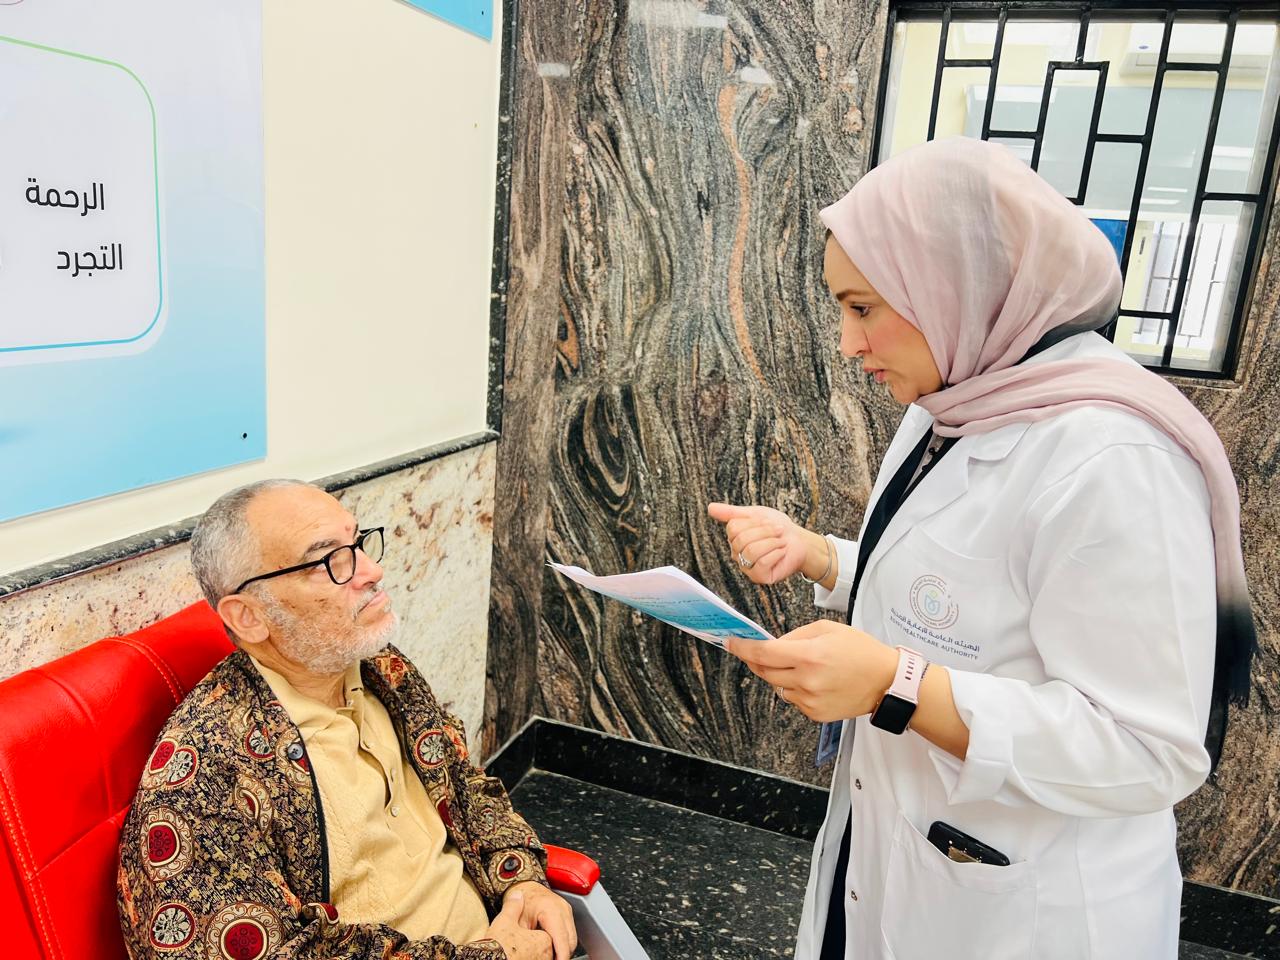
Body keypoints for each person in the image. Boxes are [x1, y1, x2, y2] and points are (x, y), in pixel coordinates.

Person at [708, 136, 1255, 959]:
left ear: (954, 284)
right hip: (893, 845)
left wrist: (895, 686)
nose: (848, 343)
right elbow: (962, 592)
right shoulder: (955, 400)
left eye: (864, 308)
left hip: (1028, 909)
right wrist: (821, 556)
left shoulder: (1115, 459)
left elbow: (1147, 749)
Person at [118, 479, 576, 960]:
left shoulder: (379, 667)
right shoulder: (206, 780)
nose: (373, 571)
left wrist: (523, 881)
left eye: (356, 542)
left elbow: (463, 784)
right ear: (249, 616)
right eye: (328, 560)